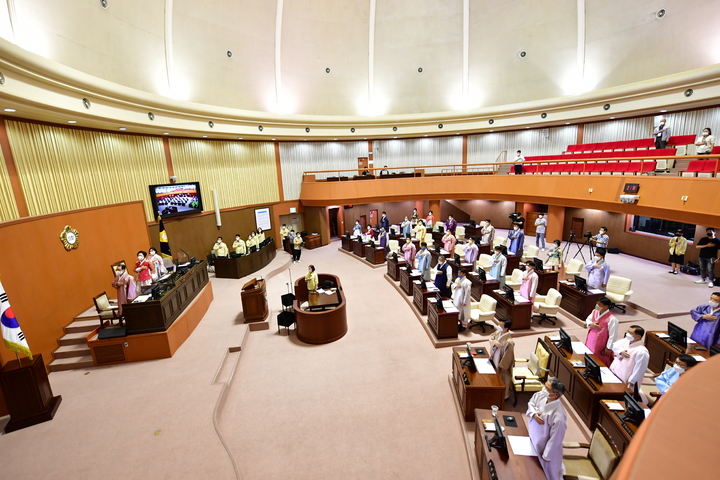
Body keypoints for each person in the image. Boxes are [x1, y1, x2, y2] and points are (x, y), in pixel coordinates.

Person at [526, 377, 567, 480]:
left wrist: (546, 456)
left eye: (547, 389)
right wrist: (534, 414)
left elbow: (556, 438)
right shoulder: (541, 395)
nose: (543, 389)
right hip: (534, 436)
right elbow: (531, 403)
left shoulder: (559, 415)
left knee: (545, 474)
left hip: (544, 448)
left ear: (555, 394)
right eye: (545, 386)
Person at [610, 325, 650, 391]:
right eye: (627, 331)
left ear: (638, 337)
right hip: (616, 370)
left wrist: (632, 380)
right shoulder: (626, 340)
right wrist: (620, 352)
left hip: (626, 376)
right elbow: (614, 346)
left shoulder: (642, 351)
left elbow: (641, 367)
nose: (627, 334)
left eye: (630, 333)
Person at [584, 297, 617, 366]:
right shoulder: (595, 311)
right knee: (589, 352)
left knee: (598, 359)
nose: (597, 306)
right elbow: (588, 319)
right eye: (597, 304)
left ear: (606, 306)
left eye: (599, 304)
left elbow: (613, 335)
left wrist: (608, 348)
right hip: (592, 337)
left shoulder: (612, 319)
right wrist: (591, 324)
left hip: (601, 341)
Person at [488, 318, 515, 399]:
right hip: (494, 357)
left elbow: (509, 356)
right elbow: (491, 337)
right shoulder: (498, 332)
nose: (498, 326)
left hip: (501, 363)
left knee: (502, 378)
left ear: (506, 328)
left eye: (500, 325)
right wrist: (495, 342)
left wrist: (503, 366)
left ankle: (503, 396)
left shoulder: (509, 342)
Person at [452, 268, 472, 332]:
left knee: (463, 313)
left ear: (464, 274)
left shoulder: (467, 282)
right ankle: (458, 323)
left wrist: (464, 301)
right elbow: (453, 285)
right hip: (456, 298)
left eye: (460, 273)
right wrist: (456, 286)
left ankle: (463, 326)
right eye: (458, 273)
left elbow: (467, 293)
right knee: (457, 311)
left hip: (463, 300)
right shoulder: (457, 279)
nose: (459, 274)